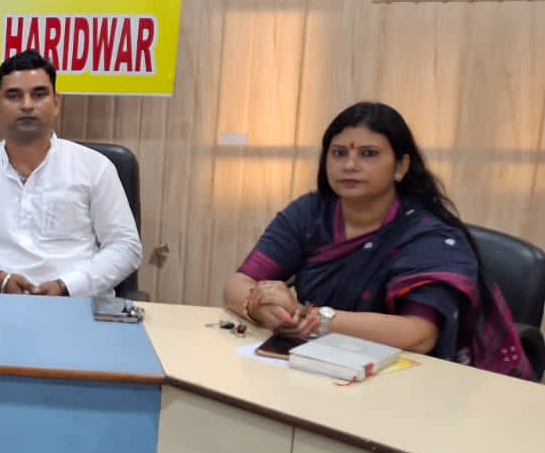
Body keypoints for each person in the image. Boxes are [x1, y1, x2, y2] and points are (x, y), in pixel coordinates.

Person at [223, 101, 533, 378]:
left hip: (407, 381)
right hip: (314, 368)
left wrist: (314, 319)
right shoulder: (309, 213)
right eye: (339, 153)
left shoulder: (428, 237)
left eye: (368, 154)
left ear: (401, 166)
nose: (350, 165)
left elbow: (419, 334)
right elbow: (239, 283)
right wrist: (260, 308)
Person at [0, 49, 142, 297]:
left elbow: (126, 247)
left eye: (39, 94)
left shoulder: (95, 166)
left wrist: (67, 286)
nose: (27, 105)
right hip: (0, 302)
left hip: (78, 303)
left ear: (56, 103)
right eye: (14, 96)